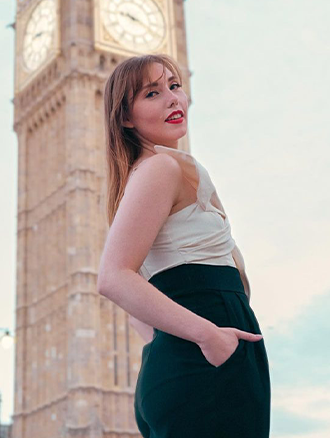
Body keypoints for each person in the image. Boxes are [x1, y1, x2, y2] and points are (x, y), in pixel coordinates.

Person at [97, 54, 271, 437]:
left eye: (175, 86)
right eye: (153, 93)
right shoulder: (161, 168)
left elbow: (138, 303)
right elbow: (112, 277)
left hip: (193, 357)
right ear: (125, 117)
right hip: (206, 358)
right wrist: (208, 336)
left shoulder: (156, 171)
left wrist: (174, 344)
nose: (173, 99)